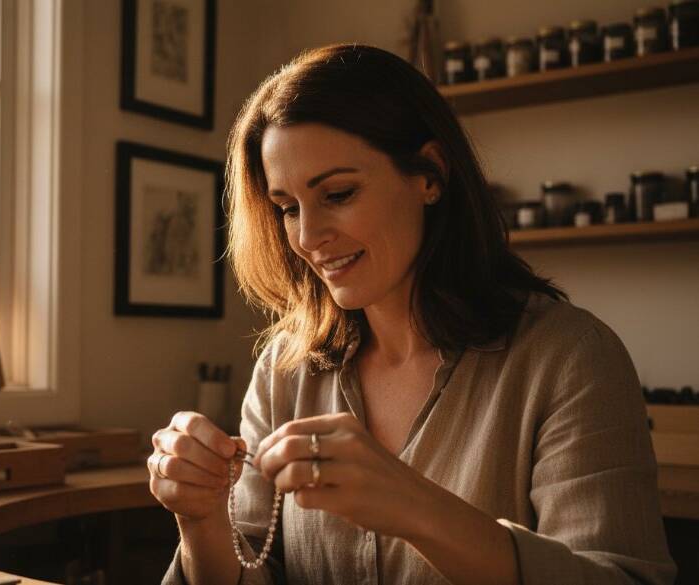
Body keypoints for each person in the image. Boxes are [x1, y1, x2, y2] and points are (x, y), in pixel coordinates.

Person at [148, 44, 675, 585]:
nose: (307, 237)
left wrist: (416, 507)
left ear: (430, 175)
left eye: (338, 193)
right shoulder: (285, 370)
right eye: (287, 208)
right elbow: (253, 569)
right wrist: (202, 520)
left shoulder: (571, 359)